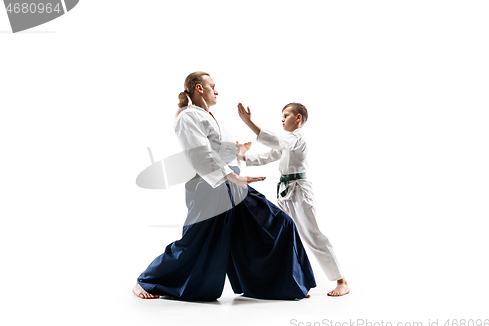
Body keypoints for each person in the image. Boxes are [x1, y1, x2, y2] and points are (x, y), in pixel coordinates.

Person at [132, 72, 316, 301]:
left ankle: (290, 283)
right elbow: (199, 155)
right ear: (199, 88)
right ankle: (147, 281)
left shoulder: (211, 117)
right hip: (210, 187)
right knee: (194, 243)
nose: (216, 90)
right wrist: (232, 175)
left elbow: (222, 151)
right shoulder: (187, 117)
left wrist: (239, 151)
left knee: (279, 223)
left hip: (233, 186)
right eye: (212, 86)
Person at [237, 102, 350, 297]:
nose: (282, 119)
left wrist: (249, 122)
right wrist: (242, 157)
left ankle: (342, 281)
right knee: (285, 233)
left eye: (286, 115)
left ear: (298, 118)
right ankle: (296, 281)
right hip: (285, 191)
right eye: (282, 115)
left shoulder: (297, 138)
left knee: (312, 235)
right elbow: (268, 156)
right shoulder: (288, 141)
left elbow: (278, 143)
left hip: (299, 191)